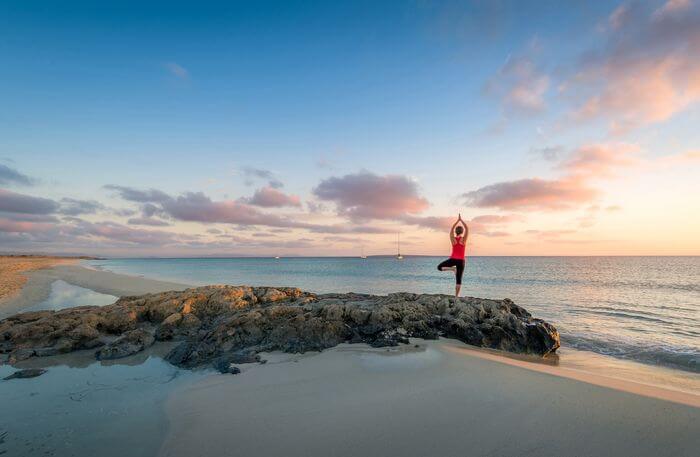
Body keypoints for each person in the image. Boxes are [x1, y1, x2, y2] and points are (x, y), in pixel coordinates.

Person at [437, 214, 468, 298]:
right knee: (458, 279)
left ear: (455, 232)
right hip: (461, 261)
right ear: (462, 232)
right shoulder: (463, 240)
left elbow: (451, 229)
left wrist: (457, 221)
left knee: (439, 267)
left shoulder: (453, 239)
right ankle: (456, 297)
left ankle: (452, 269)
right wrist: (461, 220)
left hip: (453, 259)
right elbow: (467, 228)